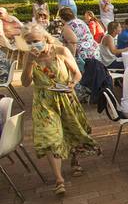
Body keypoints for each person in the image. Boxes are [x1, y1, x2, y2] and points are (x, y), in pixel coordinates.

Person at [20, 23, 99, 195]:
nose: (33, 45)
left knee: (71, 130)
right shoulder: (29, 57)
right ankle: (59, 179)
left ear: (44, 38)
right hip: (43, 101)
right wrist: (30, 64)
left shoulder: (61, 51)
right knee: (50, 136)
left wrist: (71, 85)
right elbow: (25, 83)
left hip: (65, 96)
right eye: (29, 42)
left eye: (35, 41)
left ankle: (74, 159)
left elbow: (77, 73)